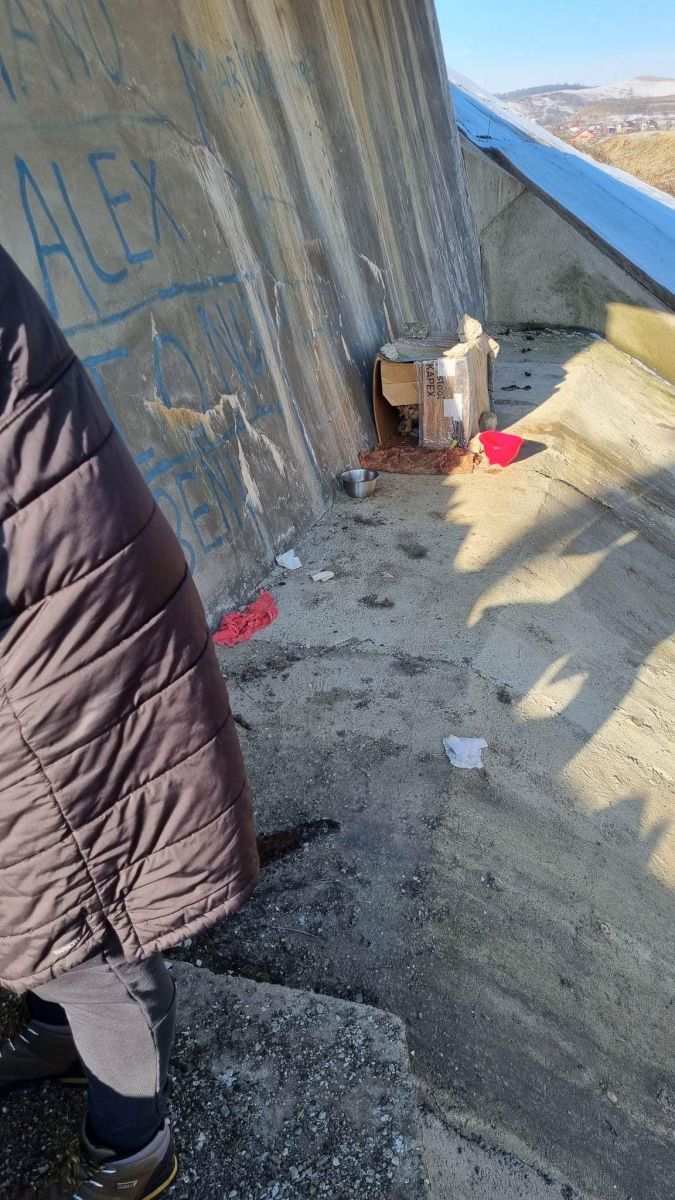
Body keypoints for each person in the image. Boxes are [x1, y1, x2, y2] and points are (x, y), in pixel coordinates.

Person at [0, 244, 260, 1199]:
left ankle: (131, 1154)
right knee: (43, 891)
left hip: (55, 638)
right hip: (57, 603)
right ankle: (58, 1036)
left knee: (86, 927)